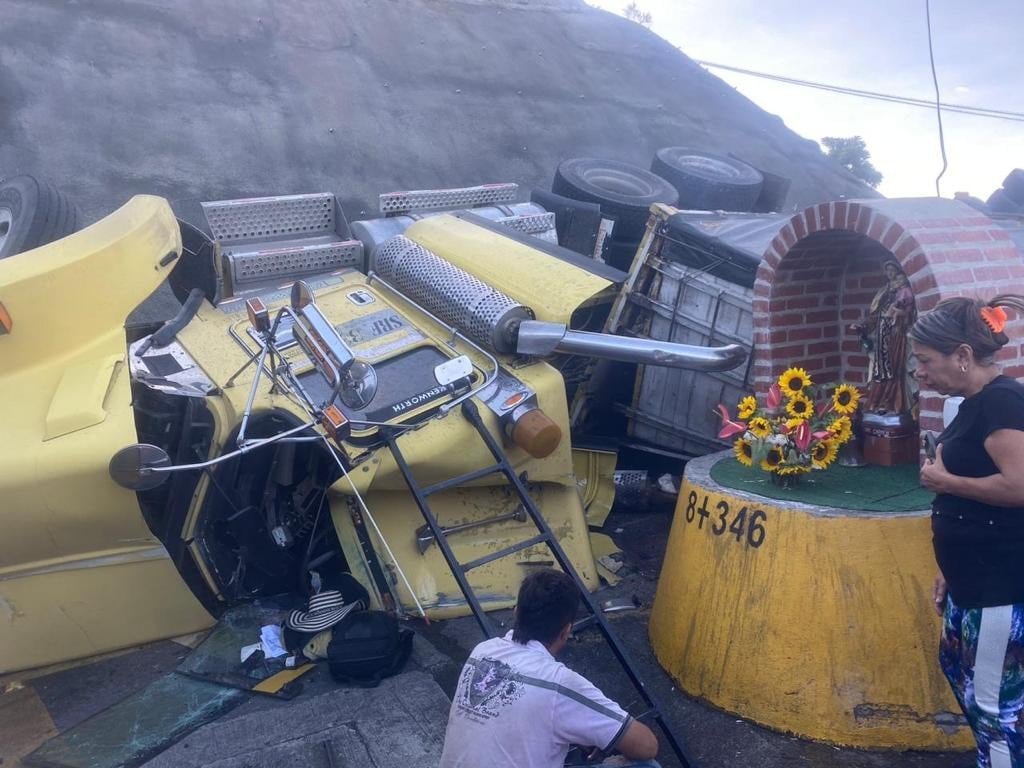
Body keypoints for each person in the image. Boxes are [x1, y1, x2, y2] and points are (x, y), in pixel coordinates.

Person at [911, 295, 1024, 768]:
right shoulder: (973, 403)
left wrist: (946, 481)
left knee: (994, 711)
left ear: (962, 355)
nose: (919, 373)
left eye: (925, 361)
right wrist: (949, 569)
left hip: (998, 587)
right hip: (970, 579)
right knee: (961, 676)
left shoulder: (1002, 403)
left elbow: (1019, 486)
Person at [439, 568, 659, 768]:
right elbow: (646, 745)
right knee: (648, 765)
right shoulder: (558, 683)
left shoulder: (482, 652)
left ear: (516, 612)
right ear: (566, 631)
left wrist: (574, 729)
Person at [849, 259, 917, 413]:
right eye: (888, 270)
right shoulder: (883, 292)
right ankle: (877, 401)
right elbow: (875, 315)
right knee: (880, 369)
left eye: (893, 270)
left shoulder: (904, 291)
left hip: (896, 332)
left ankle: (894, 403)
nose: (890, 273)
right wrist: (863, 325)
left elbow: (909, 313)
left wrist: (899, 314)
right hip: (881, 333)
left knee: (893, 367)